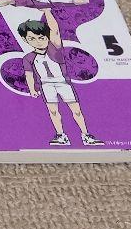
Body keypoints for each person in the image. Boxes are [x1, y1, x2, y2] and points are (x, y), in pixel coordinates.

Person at [18, 19, 103, 147]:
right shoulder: (28, 58)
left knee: (76, 111)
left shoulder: (55, 49)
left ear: (47, 37)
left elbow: (55, 30)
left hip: (63, 83)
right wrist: (32, 89)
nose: (38, 42)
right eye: (32, 39)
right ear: (25, 40)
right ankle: (61, 135)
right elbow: (29, 74)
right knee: (53, 111)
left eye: (41, 38)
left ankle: (86, 135)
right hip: (46, 85)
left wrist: (47, 12)